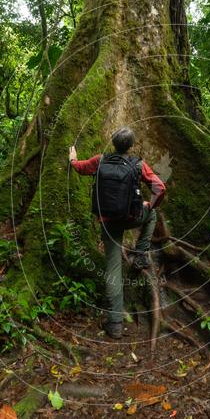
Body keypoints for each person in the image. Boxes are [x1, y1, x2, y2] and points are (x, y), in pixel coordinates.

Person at [69, 127, 166, 339]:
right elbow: (160, 188)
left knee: (113, 268)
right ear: (131, 146)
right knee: (152, 214)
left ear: (113, 143)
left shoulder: (99, 160)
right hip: (131, 218)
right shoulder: (138, 165)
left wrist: (73, 159)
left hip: (107, 221)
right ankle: (141, 254)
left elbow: (80, 168)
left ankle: (114, 324)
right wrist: (149, 205)